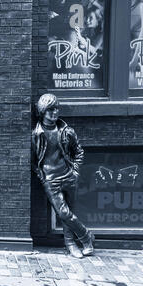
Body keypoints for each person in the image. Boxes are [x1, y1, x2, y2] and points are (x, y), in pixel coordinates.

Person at [32, 94, 94, 258]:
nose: (54, 113)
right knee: (64, 213)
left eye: (56, 109)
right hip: (50, 179)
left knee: (70, 213)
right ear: (42, 111)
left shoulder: (66, 131)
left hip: (68, 176)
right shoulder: (36, 134)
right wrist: (42, 176)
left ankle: (71, 244)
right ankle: (86, 237)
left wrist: (75, 171)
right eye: (50, 110)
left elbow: (79, 152)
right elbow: (32, 160)